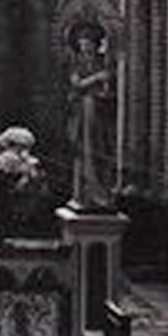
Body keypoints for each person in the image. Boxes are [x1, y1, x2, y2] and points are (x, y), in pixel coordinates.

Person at [67, 20, 113, 209]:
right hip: (83, 113)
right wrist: (97, 77)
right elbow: (76, 84)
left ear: (95, 44)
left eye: (88, 43)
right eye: (82, 43)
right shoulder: (77, 62)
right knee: (85, 151)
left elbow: (108, 84)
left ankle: (101, 193)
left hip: (100, 114)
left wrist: (105, 84)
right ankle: (85, 193)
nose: (84, 47)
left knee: (100, 150)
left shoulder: (102, 61)